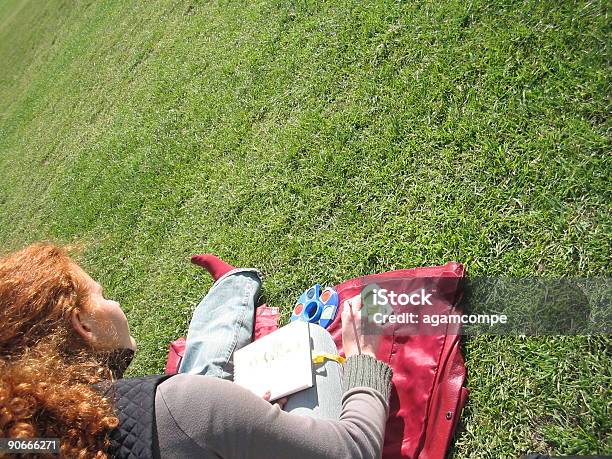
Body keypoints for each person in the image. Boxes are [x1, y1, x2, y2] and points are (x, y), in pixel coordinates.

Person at [0, 243, 392, 458]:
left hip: (185, 414)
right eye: (102, 296)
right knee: (308, 338)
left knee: (199, 381)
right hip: (186, 409)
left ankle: (231, 287)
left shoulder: (25, 443)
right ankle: (233, 289)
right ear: (83, 328)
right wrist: (365, 362)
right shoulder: (181, 406)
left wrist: (227, 421)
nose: (115, 306)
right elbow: (351, 449)